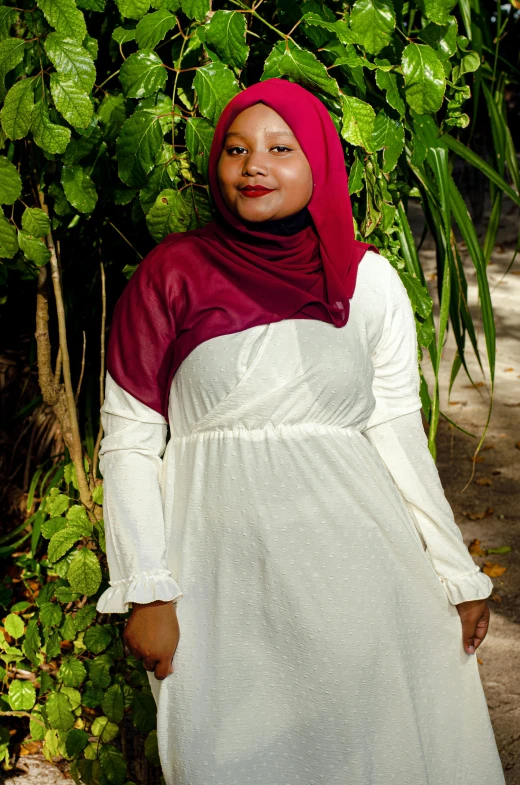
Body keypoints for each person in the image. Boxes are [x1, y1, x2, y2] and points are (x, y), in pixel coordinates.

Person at [96, 78, 506, 784]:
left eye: (280, 148)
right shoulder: (172, 275)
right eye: (235, 149)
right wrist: (147, 588)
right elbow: (130, 441)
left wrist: (455, 573)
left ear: (318, 162)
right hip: (224, 584)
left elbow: (396, 433)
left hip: (364, 578)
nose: (253, 164)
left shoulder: (369, 280)